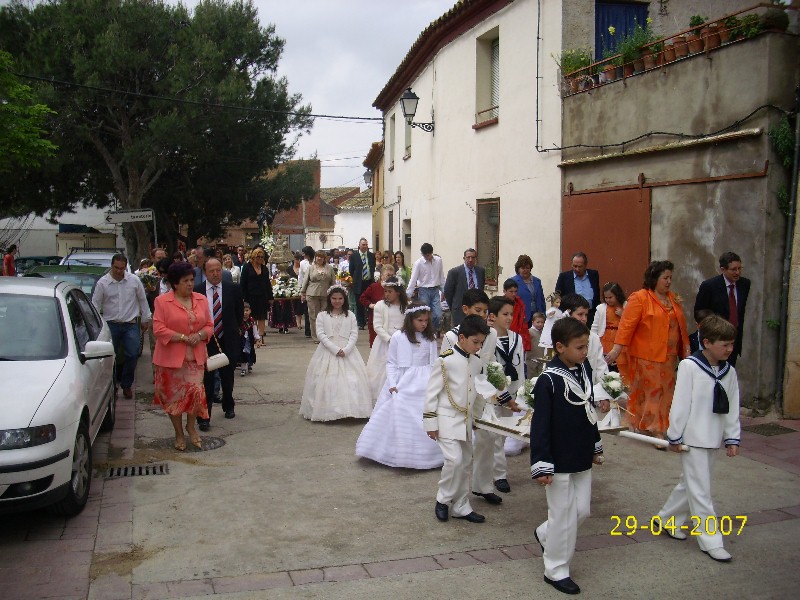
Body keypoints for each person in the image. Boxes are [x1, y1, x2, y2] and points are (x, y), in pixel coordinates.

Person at [657, 315, 741, 563]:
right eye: (724, 344)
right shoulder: (690, 366)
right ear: (707, 342)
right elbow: (681, 403)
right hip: (692, 440)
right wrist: (675, 435)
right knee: (701, 491)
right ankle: (711, 541)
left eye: (731, 344)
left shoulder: (729, 372)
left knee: (691, 485)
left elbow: (732, 406)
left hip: (712, 438)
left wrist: (732, 437)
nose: (729, 349)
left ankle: (666, 520)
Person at [530, 317, 605, 596]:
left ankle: (546, 534)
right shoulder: (548, 380)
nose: (585, 352)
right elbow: (540, 425)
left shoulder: (583, 369)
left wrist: (595, 444)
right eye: (580, 347)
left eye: (586, 346)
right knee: (562, 513)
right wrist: (542, 464)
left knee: (581, 510)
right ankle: (556, 569)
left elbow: (589, 411)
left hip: (581, 453)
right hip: (557, 458)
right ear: (560, 347)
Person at [424, 315, 513, 524]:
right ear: (461, 337)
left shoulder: (476, 362)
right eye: (475, 342)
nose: (478, 346)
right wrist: (430, 422)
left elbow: (477, 392)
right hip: (445, 418)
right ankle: (442, 499)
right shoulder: (445, 360)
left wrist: (480, 419)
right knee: (454, 460)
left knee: (464, 463)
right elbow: (431, 394)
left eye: (481, 342)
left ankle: (461, 506)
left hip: (465, 420)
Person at [605, 261, 690, 441]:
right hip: (646, 356)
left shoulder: (673, 298)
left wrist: (686, 351)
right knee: (653, 391)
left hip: (669, 356)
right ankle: (655, 428)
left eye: (670, 278)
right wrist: (616, 350)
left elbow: (681, 326)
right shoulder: (640, 298)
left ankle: (656, 425)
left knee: (667, 391)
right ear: (654, 278)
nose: (668, 282)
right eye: (665, 278)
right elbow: (627, 326)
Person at [355, 303, 443, 468]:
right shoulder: (398, 337)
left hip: (425, 381)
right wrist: (393, 383)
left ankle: (429, 452)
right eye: (420, 320)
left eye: (426, 320)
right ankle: (398, 451)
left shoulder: (429, 338)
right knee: (398, 412)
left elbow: (434, 364)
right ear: (410, 320)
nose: (423, 324)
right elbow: (392, 362)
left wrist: (436, 384)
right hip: (402, 381)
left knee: (427, 412)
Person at [152, 262, 213, 451]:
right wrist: (183, 338)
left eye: (191, 280)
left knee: (195, 393)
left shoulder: (201, 299)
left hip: (195, 358)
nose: (190, 284)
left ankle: (191, 426)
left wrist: (200, 335)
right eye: (185, 281)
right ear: (174, 283)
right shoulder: (162, 301)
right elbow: (159, 329)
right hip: (171, 359)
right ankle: (179, 433)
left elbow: (209, 325)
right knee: (174, 399)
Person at [300, 285, 373, 421]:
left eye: (340, 298)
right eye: (334, 298)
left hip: (348, 351)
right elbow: (321, 334)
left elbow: (353, 333)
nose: (337, 301)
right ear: (329, 299)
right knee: (328, 381)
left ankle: (350, 410)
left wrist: (347, 349)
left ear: (344, 299)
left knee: (352, 380)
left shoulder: (350, 315)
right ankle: (329, 411)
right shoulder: (322, 315)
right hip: (328, 351)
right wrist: (334, 349)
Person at [92, 253, 152, 399]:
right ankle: (112, 385)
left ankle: (126, 384)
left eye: (122, 268)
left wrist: (146, 318)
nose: (119, 271)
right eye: (116, 268)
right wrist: (97, 325)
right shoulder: (103, 283)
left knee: (132, 354)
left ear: (125, 267)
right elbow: (95, 304)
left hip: (130, 323)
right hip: (111, 324)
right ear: (111, 266)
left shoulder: (134, 281)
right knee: (110, 357)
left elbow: (142, 300)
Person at [195, 258, 244, 430]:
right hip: (207, 340)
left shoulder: (233, 289)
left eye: (218, 270)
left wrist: (236, 331)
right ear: (205, 272)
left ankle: (228, 404)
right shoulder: (198, 291)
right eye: (211, 271)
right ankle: (204, 416)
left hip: (227, 339)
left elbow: (239, 314)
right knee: (207, 380)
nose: (215, 274)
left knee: (227, 377)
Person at [693, 252, 750, 367]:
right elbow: (699, 312)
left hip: (733, 339)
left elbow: (739, 311)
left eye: (740, 268)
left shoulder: (744, 284)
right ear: (723, 270)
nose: (737, 272)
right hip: (715, 340)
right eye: (733, 269)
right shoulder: (709, 286)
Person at [488, 297, 528, 461]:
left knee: (504, 433)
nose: (510, 318)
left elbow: (520, 367)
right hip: (494, 394)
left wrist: (521, 393)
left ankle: (497, 471)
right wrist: (503, 395)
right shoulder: (487, 338)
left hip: (513, 393)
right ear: (493, 316)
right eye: (505, 314)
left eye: (511, 314)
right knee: (496, 435)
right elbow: (490, 369)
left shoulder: (517, 338)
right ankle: (500, 476)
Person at [365, 277, 407, 401]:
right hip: (385, 343)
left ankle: (400, 396)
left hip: (402, 342)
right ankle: (380, 398)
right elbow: (377, 326)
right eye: (385, 291)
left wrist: (403, 339)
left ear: (398, 292)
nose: (387, 294)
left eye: (390, 291)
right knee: (382, 369)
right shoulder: (380, 305)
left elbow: (409, 324)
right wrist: (390, 339)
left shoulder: (406, 306)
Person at [554, 252, 601, 326]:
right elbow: (558, 295)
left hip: (591, 315)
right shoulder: (564, 277)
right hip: (572, 316)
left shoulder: (593, 275)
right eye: (574, 266)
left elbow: (597, 294)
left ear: (585, 265)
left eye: (580, 266)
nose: (577, 269)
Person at [406, 243, 445, 332]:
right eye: (424, 255)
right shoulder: (418, 263)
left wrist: (443, 290)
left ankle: (432, 331)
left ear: (431, 253)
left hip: (435, 289)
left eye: (428, 255)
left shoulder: (438, 261)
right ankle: (425, 332)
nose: (426, 257)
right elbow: (413, 279)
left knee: (438, 315)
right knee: (424, 314)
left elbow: (441, 276)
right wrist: (408, 294)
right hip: (424, 290)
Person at [300, 250, 337, 342]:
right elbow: (305, 281)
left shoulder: (329, 268)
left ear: (324, 258)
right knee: (313, 316)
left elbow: (333, 282)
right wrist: (303, 292)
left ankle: (325, 335)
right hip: (312, 294)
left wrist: (334, 293)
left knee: (325, 316)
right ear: (315, 258)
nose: (319, 258)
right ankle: (316, 337)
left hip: (326, 294)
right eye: (317, 256)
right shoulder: (311, 268)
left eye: (321, 257)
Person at [591, 282, 628, 372]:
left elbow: (631, 323)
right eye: (606, 297)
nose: (608, 300)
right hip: (605, 340)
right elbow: (595, 327)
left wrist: (623, 315)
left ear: (617, 295)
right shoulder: (601, 308)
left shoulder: (626, 306)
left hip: (620, 341)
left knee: (620, 367)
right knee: (606, 365)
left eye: (610, 297)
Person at [444, 248, 485, 327]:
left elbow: (481, 289)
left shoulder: (481, 271)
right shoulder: (454, 272)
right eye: (468, 257)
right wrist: (454, 307)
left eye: (473, 257)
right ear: (464, 258)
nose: (470, 260)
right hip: (459, 310)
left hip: (477, 310)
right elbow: (448, 292)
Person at [359, 264, 397, 346]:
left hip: (391, 322)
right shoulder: (374, 287)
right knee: (376, 344)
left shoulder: (397, 288)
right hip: (375, 320)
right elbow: (362, 298)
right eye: (388, 275)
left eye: (392, 275)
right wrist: (370, 305)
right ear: (382, 276)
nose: (390, 277)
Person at [240, 247, 273, 338]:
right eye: (258, 256)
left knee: (262, 317)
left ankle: (261, 336)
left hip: (262, 296)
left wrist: (270, 297)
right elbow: (242, 283)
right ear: (253, 257)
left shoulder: (264, 269)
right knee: (252, 317)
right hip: (250, 296)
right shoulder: (247, 267)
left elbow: (267, 283)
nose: (260, 258)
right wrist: (242, 297)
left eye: (262, 257)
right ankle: (254, 336)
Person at [511, 254, 546, 327]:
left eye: (527, 267)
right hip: (521, 316)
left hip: (537, 317)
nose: (525, 270)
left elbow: (542, 299)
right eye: (522, 268)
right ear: (518, 269)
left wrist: (543, 315)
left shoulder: (537, 281)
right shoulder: (513, 281)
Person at [350, 238, 376, 329]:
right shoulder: (354, 256)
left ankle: (371, 321)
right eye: (363, 245)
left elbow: (373, 268)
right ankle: (361, 322)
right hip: (359, 283)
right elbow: (351, 270)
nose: (365, 246)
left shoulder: (371, 255)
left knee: (370, 302)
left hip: (369, 282)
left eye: (366, 245)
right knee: (359, 303)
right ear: (359, 245)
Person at [503, 278, 532, 354]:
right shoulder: (499, 304)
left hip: (517, 336)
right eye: (511, 291)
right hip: (504, 335)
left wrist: (526, 342)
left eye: (515, 291)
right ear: (504, 291)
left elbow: (523, 324)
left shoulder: (520, 304)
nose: (513, 294)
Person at [239, 301, 261, 376]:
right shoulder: (239, 321)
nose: (245, 312)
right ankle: (243, 369)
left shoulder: (251, 321)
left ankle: (249, 364)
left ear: (250, 311)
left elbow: (255, 331)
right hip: (242, 341)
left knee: (250, 353)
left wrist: (257, 339)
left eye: (247, 310)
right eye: (243, 311)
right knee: (243, 354)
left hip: (250, 341)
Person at [297, 246, 314, 338]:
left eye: (305, 253)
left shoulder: (316, 260)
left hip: (315, 287)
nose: (303, 255)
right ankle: (308, 330)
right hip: (306, 287)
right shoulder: (303, 263)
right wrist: (300, 289)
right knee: (307, 310)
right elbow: (301, 276)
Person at [527, 312, 546, 377]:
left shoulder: (543, 332)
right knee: (531, 378)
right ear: (533, 322)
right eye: (538, 322)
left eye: (542, 322)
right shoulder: (529, 332)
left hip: (541, 359)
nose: (540, 324)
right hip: (531, 359)